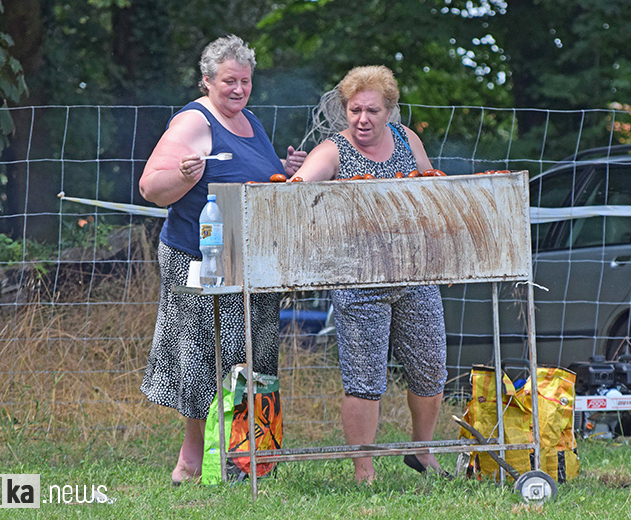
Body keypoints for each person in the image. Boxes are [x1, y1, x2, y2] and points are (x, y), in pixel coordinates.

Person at [138, 34, 306, 485]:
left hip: (253, 260)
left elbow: (257, 179)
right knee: (203, 358)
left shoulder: (251, 120)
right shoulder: (194, 122)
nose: (238, 89)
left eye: (245, 81)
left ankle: (247, 460)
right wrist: (183, 174)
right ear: (208, 80)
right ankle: (191, 462)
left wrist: (285, 172)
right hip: (199, 257)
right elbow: (151, 188)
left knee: (253, 355)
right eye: (229, 81)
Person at [291, 65, 448, 483]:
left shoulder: (407, 140)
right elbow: (295, 193)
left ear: (389, 111)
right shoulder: (333, 151)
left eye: (372, 110)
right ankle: (365, 469)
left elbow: (430, 192)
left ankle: (422, 451)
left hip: (415, 274)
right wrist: (299, 180)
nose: (363, 119)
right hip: (358, 281)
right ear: (344, 110)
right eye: (355, 109)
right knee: (364, 379)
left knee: (431, 369)